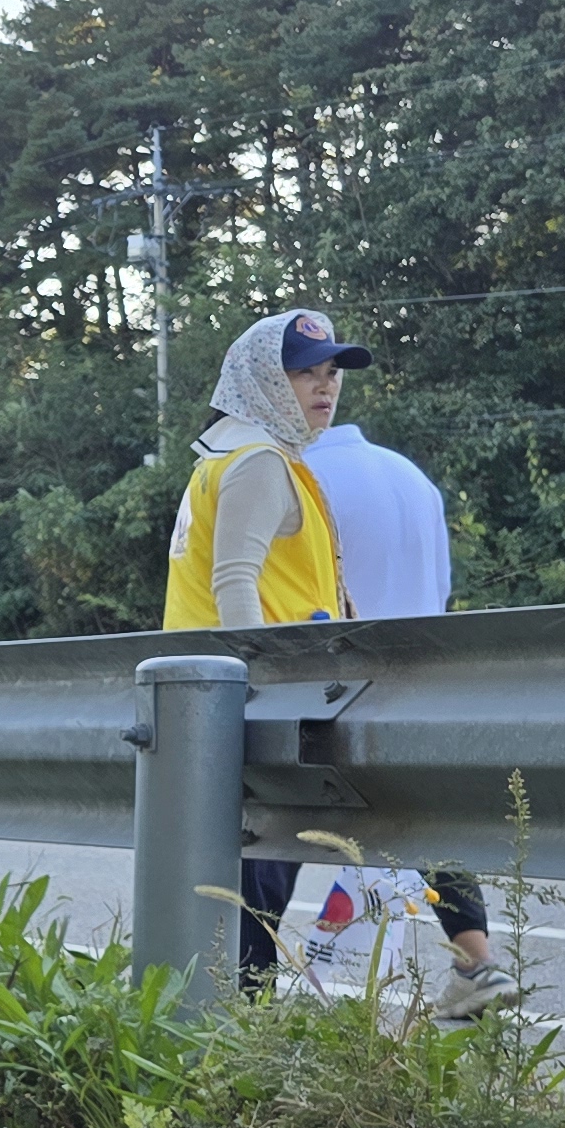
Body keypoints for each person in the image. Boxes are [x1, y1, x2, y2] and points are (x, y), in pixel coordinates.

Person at [162, 308, 358, 989]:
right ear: (261, 382)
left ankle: (232, 1012)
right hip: (257, 700)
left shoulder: (236, 456)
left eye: (331, 372)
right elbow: (235, 584)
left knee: (249, 884)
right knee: (257, 883)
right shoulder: (260, 463)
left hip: (217, 699)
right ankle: (243, 1015)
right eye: (305, 373)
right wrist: (252, 693)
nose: (325, 386)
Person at [304, 409, 520, 1018]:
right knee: (423, 819)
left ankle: (245, 988)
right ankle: (476, 963)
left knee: (261, 822)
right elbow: (440, 591)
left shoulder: (296, 478)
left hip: (335, 679)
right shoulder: (411, 477)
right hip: (420, 679)